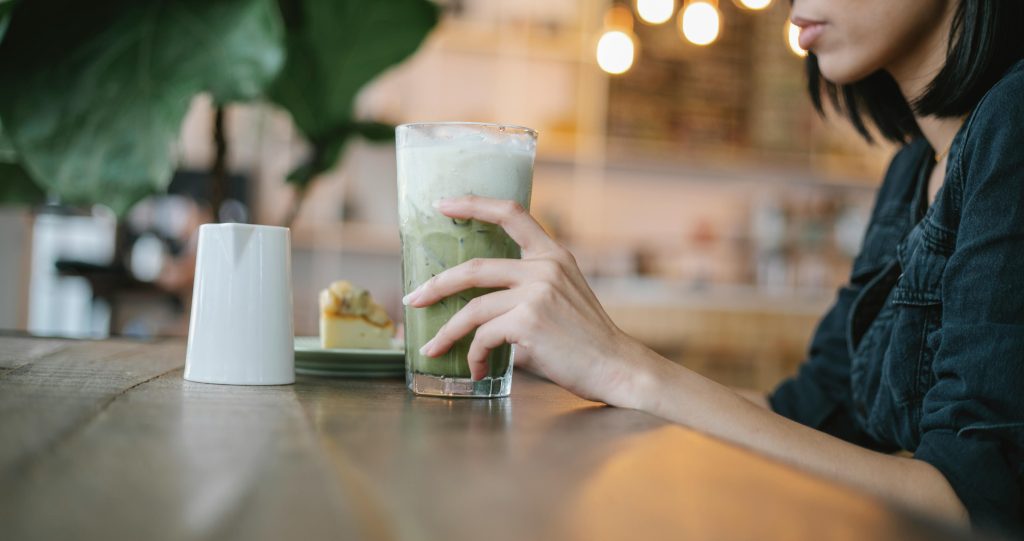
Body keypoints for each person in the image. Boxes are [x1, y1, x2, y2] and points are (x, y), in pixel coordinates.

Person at [402, 0, 1024, 536]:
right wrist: (589, 367)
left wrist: (625, 367)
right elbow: (808, 416)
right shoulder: (913, 171)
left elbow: (971, 505)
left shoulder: (1014, 120)